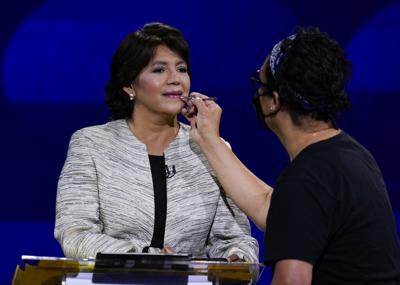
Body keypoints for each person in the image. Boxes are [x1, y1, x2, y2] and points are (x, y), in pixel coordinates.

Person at [183, 27, 400, 284]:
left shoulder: (305, 180)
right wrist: (209, 139)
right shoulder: (349, 155)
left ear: (274, 100)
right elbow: (273, 210)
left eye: (259, 83)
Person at [54, 22, 258, 263]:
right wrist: (147, 258)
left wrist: (236, 259)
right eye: (159, 70)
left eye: (181, 69)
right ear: (129, 85)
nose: (175, 80)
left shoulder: (212, 148)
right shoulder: (91, 144)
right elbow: (76, 234)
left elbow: (234, 238)